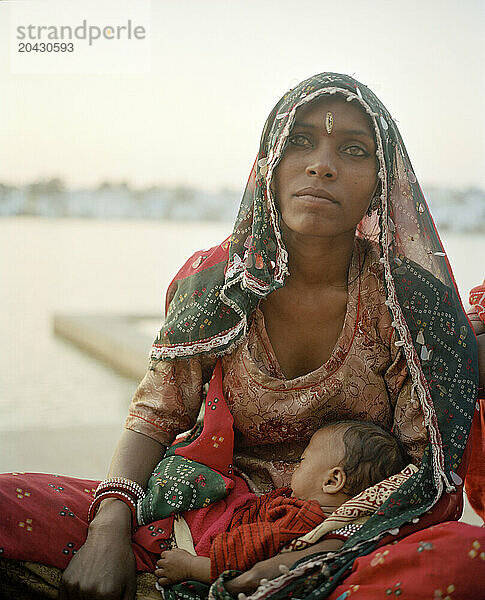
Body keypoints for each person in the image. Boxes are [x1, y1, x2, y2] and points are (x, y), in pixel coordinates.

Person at [0, 72, 484, 600]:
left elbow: (430, 476)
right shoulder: (217, 281)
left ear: (381, 181)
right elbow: (155, 415)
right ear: (269, 164)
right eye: (299, 141)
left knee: (465, 560)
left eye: (353, 149)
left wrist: (302, 559)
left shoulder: (409, 304)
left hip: (346, 539)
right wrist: (108, 528)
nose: (322, 164)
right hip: (197, 519)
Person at [154, 420, 410, 592]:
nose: (296, 467)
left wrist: (190, 567)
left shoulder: (299, 518)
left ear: (332, 481)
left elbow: (247, 555)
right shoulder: (350, 523)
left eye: (302, 460)